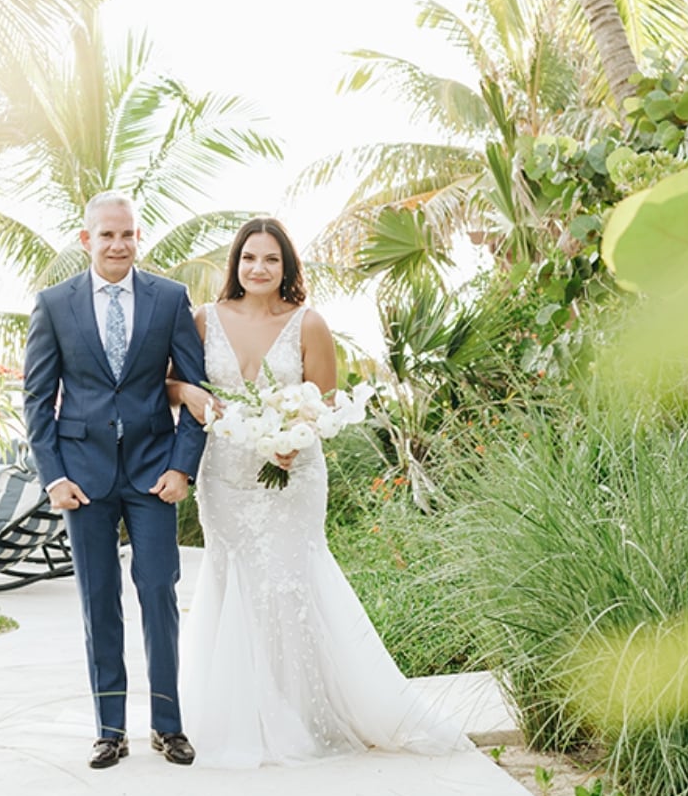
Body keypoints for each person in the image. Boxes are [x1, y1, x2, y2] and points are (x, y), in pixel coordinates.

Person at [168, 216, 473, 768]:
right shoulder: (203, 320)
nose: (258, 268)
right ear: (235, 265)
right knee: (230, 578)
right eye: (249, 258)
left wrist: (292, 441)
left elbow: (324, 405)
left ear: (287, 268)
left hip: (291, 475)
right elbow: (169, 382)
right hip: (226, 477)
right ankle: (238, 713)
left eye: (271, 260)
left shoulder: (308, 323)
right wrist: (188, 389)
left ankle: (301, 713)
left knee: (288, 585)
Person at [23, 190, 208, 770]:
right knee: (98, 602)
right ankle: (109, 729)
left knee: (159, 594)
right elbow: (36, 400)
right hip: (83, 478)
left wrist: (183, 467)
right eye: (106, 235)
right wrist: (53, 477)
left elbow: (197, 392)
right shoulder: (54, 304)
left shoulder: (170, 298)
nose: (118, 244)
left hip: (155, 474)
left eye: (127, 234)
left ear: (137, 237)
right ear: (87, 240)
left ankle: (168, 724)